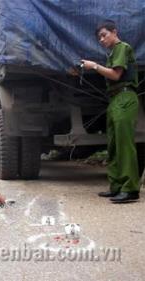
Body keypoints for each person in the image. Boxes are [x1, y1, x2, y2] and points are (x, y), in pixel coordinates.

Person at [82, 20, 140, 202]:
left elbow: (116, 75)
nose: (101, 39)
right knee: (113, 146)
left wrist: (95, 66)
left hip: (125, 97)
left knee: (124, 145)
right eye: (99, 37)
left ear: (115, 32)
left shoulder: (122, 47)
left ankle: (130, 189)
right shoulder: (113, 53)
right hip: (115, 99)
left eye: (104, 35)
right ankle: (116, 186)